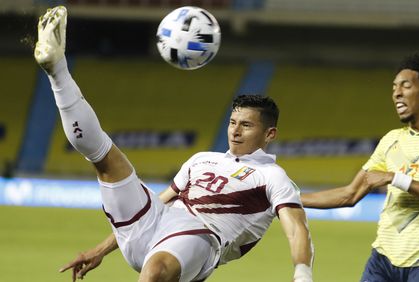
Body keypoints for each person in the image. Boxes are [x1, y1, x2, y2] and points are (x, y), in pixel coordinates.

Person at [35, 6, 314, 282]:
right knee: (104, 159)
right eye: (232, 123)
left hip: (203, 237)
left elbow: (295, 227)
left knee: (155, 271)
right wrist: (99, 250)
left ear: (270, 134)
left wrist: (302, 273)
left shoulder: (272, 176)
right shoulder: (201, 159)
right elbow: (161, 202)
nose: (236, 131)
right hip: (154, 221)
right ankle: (57, 68)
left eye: (247, 125)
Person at [301, 53, 419, 282]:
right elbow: (350, 194)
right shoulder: (391, 140)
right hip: (382, 258)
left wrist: (395, 178)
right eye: (394, 87)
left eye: (406, 86)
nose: (396, 93)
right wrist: (289, 197)